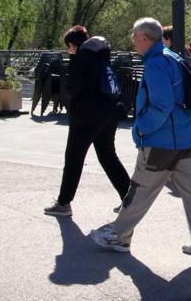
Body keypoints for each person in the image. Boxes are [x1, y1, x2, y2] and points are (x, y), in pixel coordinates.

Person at [89, 18, 191, 254]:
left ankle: (118, 235)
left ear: (144, 38)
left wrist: (141, 128)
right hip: (181, 136)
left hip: (160, 139)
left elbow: (161, 104)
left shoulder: (156, 64)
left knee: (140, 190)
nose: (132, 41)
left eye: (134, 37)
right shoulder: (172, 57)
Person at [44, 26, 130, 217]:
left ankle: (64, 203)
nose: (69, 51)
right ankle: (129, 198)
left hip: (85, 115)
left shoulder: (81, 58)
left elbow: (74, 89)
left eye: (69, 48)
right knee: (108, 156)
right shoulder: (103, 57)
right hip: (109, 113)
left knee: (74, 158)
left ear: (72, 45)